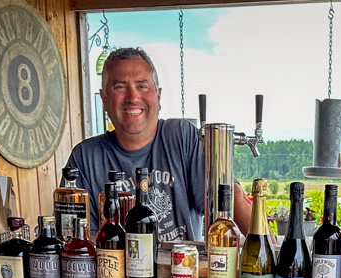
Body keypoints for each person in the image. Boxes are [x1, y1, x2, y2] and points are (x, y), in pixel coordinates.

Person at [65, 47, 251, 242]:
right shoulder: (85, 158)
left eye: (142, 86)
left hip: (183, 268)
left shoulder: (181, 136)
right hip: (114, 270)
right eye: (120, 87)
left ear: (158, 96)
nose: (133, 97)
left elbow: (230, 197)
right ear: (104, 99)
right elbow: (77, 240)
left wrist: (268, 252)